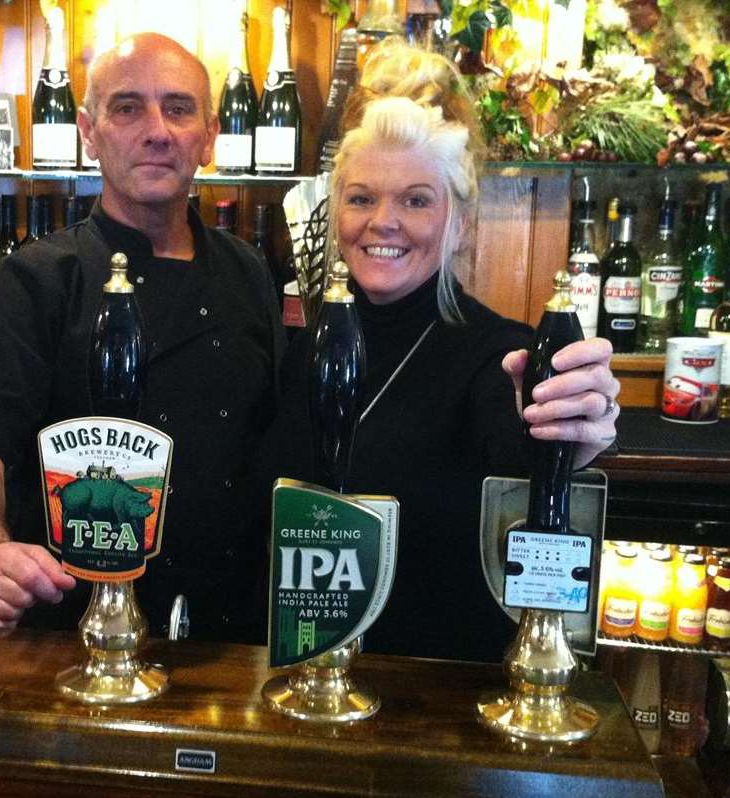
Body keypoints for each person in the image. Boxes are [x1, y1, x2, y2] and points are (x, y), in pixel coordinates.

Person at [257, 39, 620, 662]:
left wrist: (571, 435)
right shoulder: (303, 347)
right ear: (334, 210)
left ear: (460, 223)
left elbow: (520, 439)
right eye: (362, 197)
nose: (383, 221)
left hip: (430, 703)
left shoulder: (496, 355)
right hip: (298, 682)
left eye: (416, 200)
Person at [0, 33, 283, 642]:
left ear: (209, 135)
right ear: (88, 132)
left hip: (230, 631)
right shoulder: (38, 278)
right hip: (74, 630)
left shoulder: (248, 272)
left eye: (179, 108)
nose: (157, 130)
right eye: (128, 108)